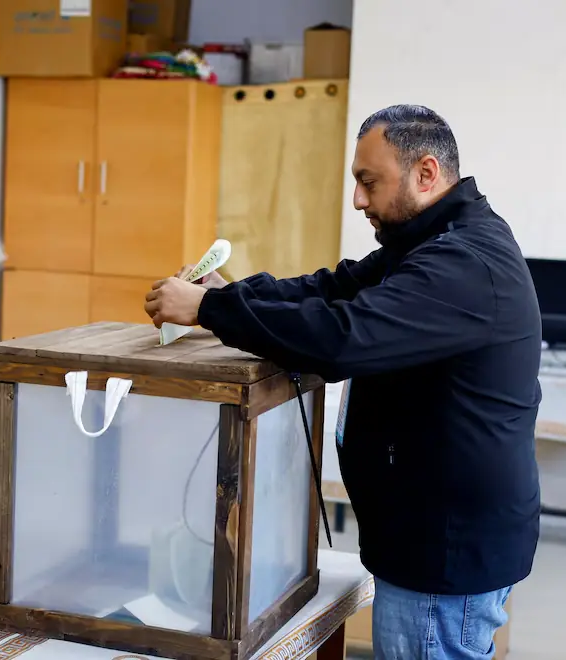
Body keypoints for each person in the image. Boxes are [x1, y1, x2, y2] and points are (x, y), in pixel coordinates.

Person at [144, 104, 542, 659]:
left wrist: (210, 309)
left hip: (444, 548)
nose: (358, 200)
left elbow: (341, 338)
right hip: (430, 533)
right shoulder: (430, 242)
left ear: (426, 174)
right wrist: (230, 295)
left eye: (368, 182)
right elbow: (334, 289)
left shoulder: (463, 263)